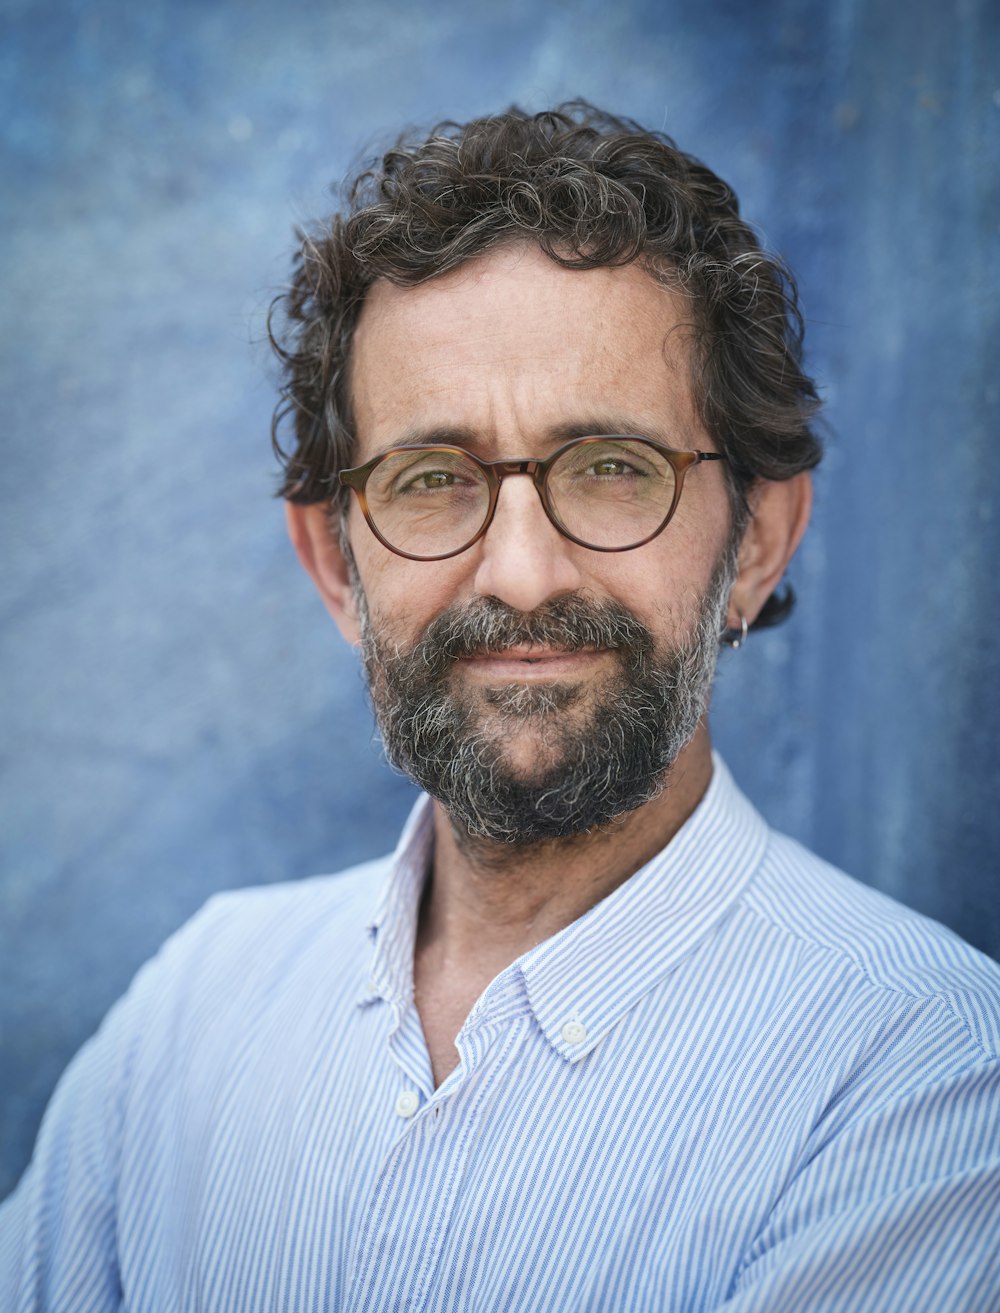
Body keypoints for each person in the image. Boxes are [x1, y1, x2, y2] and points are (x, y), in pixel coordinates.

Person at [2, 102, 998, 1312]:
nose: (522, 575)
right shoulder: (193, 1007)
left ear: (757, 541)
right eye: (432, 481)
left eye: (612, 468)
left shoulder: (934, 1074)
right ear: (335, 564)